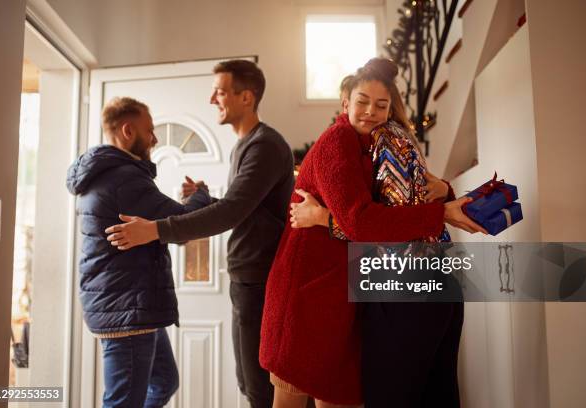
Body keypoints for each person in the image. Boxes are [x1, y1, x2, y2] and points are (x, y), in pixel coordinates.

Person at [259, 58, 486, 408]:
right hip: (309, 294)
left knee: (341, 395)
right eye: (362, 101)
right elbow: (361, 223)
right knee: (294, 395)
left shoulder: (384, 142)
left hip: (349, 291)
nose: (370, 112)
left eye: (381, 105)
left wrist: (444, 191)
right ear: (345, 102)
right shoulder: (337, 141)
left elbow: (407, 196)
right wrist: (440, 213)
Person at [104, 60, 295, 408]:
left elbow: (232, 212)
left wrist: (156, 230)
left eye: (220, 91)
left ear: (247, 97)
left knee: (260, 389)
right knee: (248, 381)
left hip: (262, 281)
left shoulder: (264, 145)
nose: (212, 99)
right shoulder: (245, 146)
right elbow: (247, 209)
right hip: (248, 280)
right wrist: (206, 198)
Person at [66, 97, 212, 407]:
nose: (155, 139)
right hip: (128, 307)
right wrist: (201, 194)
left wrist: (187, 205)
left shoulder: (106, 174)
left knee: (164, 381)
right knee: (123, 402)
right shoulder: (125, 178)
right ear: (128, 130)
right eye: (150, 130)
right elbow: (184, 227)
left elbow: (168, 221)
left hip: (129, 305)